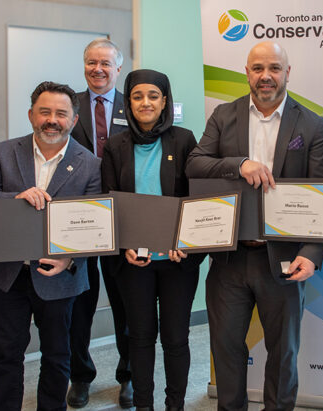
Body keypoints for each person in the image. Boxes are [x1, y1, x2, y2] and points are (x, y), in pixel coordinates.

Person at [186, 41, 323, 411]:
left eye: (273, 68)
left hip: (284, 261)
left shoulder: (312, 124)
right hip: (230, 257)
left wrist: (311, 253)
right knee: (226, 348)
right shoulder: (224, 115)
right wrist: (239, 164)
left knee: (283, 353)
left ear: (287, 72)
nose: (265, 76)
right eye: (257, 68)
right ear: (246, 72)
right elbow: (195, 163)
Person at [0, 81, 101, 411]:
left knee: (58, 356)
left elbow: (95, 224)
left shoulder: (89, 163)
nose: (52, 120)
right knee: (6, 355)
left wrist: (68, 258)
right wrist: (14, 198)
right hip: (10, 274)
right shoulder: (3, 152)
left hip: (61, 276)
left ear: (73, 120)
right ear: (31, 115)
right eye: (45, 112)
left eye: (61, 114)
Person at [103, 69, 204, 411]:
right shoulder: (115, 145)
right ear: (128, 102)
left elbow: (196, 200)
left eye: (153, 96)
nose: (145, 102)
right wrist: (123, 245)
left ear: (165, 102)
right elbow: (109, 201)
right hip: (134, 262)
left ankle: (174, 405)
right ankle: (143, 405)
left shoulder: (185, 140)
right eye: (137, 96)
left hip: (177, 261)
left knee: (176, 338)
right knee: (141, 338)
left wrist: (188, 241)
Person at [68, 37, 133, 408]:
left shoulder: (135, 105)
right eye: (92, 62)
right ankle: (80, 376)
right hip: (77, 219)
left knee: (127, 303)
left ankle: (127, 376)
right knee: (80, 304)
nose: (98, 69)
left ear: (118, 68)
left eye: (106, 63)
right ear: (84, 65)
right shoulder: (68, 105)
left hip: (122, 218)